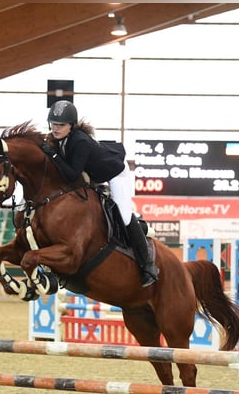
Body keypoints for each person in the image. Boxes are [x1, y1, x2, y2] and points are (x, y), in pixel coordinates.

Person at [45, 100, 159, 287]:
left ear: (71, 126)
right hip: (95, 175)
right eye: (53, 124)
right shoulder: (58, 138)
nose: (55, 128)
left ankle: (148, 265)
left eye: (61, 125)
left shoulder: (80, 141)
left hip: (115, 174)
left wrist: (53, 155)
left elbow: (72, 175)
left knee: (123, 216)